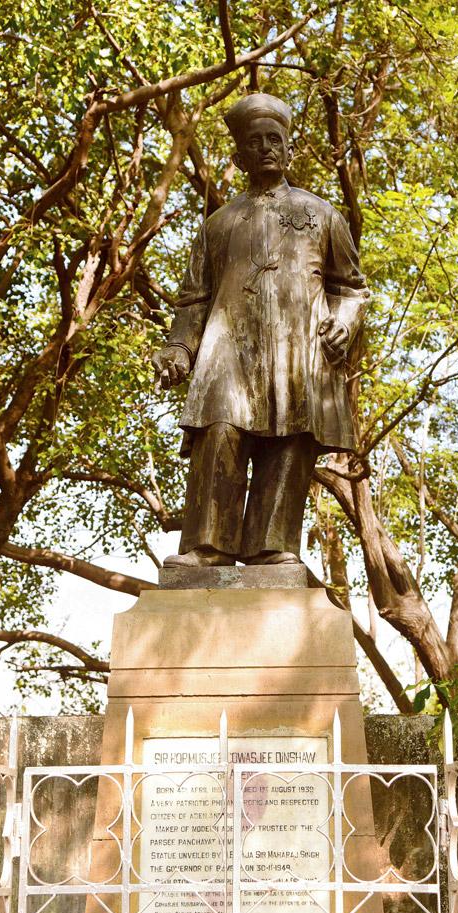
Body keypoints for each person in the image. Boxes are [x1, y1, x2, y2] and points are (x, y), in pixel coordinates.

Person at [152, 92, 369, 568]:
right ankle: (207, 546)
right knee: (220, 432)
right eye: (256, 142)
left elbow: (352, 288)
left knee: (289, 440)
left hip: (298, 351)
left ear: (289, 149)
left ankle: (274, 546)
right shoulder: (217, 224)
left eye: (276, 139)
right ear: (240, 155)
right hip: (228, 353)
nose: (268, 148)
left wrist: (344, 323)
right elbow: (194, 299)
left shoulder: (321, 214)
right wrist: (178, 350)